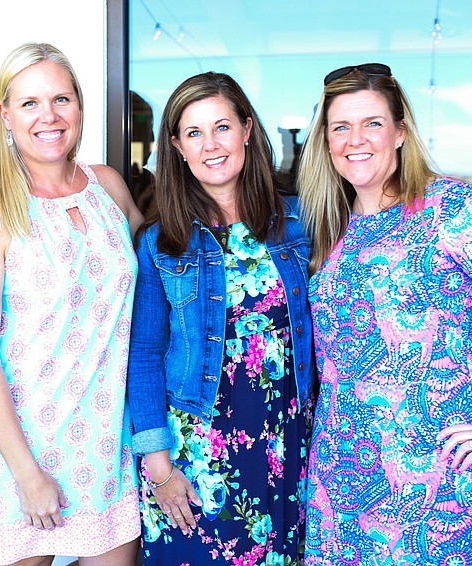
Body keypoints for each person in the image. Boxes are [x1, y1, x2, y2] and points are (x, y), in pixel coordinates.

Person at [297, 63, 472, 564]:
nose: (356, 139)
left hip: (446, 490)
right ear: (326, 141)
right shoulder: (328, 226)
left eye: (373, 123)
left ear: (400, 133)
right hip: (343, 492)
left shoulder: (450, 208)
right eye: (341, 126)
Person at [0, 42, 143, 565]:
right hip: (25, 448)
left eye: (61, 98)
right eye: (30, 103)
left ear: (80, 106)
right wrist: (27, 473)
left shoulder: (108, 187)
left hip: (108, 444)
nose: (49, 116)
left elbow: (164, 280)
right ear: (5, 114)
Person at [128, 71, 316, 565]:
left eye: (222, 127)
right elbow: (143, 354)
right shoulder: (160, 242)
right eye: (193, 133)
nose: (210, 145)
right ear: (177, 147)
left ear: (248, 130)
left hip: (285, 442)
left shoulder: (300, 223)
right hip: (194, 455)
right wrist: (158, 465)